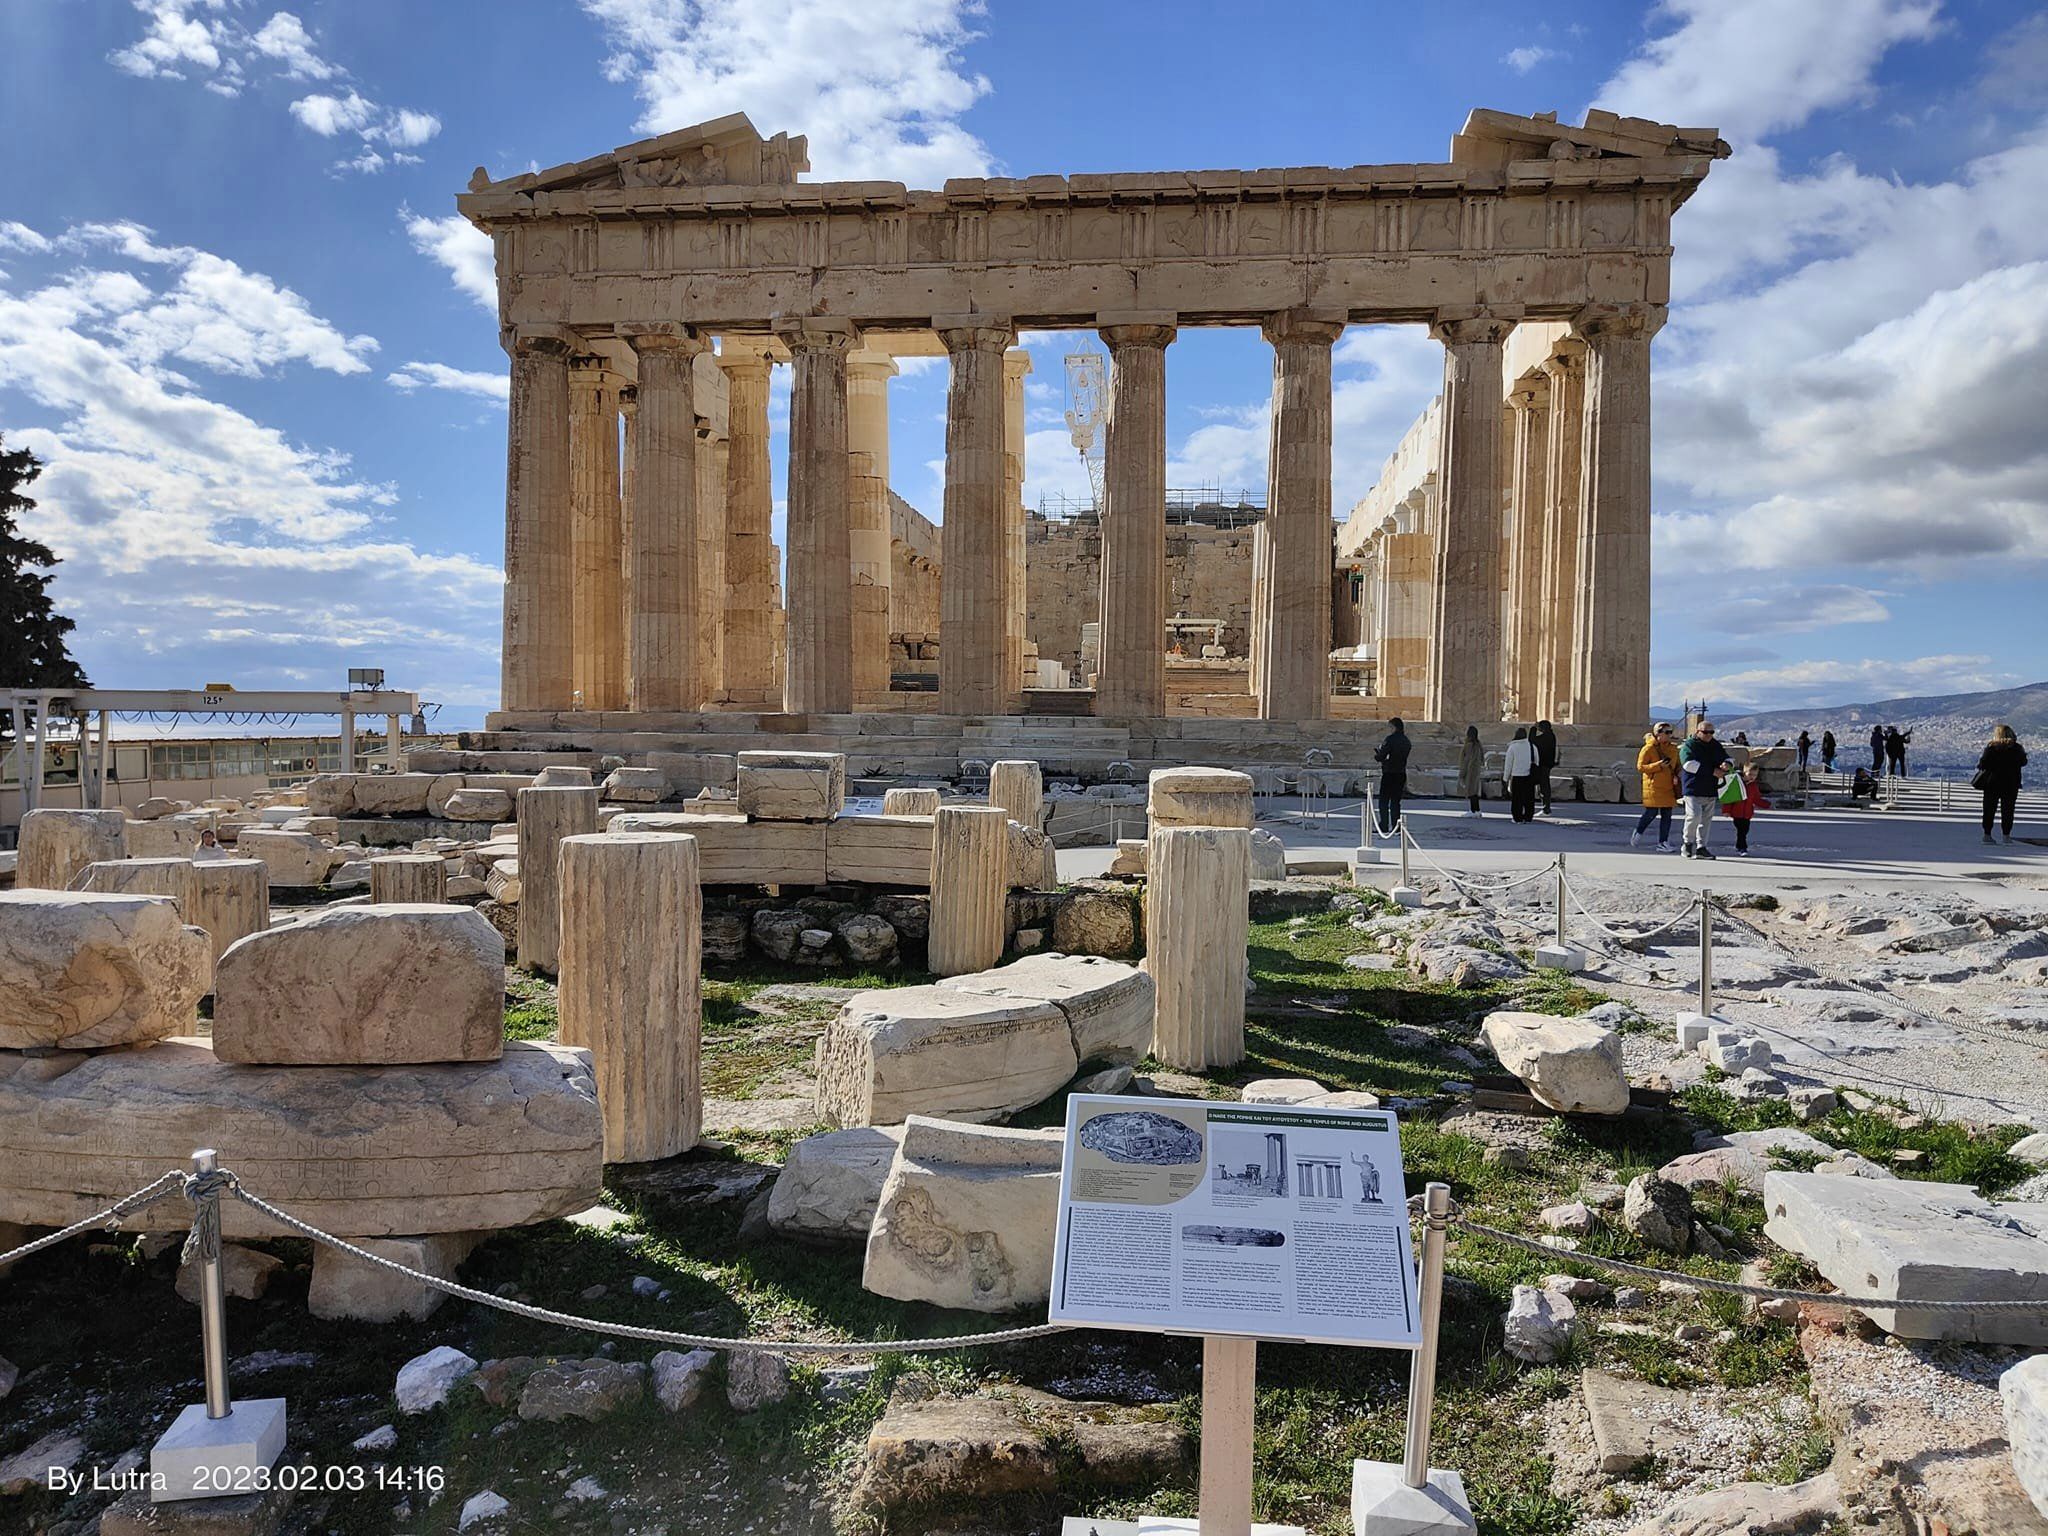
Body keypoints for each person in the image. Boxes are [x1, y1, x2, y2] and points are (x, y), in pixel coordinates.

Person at [1677, 719, 1732, 859]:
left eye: (1711, 732)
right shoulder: (1689, 746)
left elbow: (1728, 758)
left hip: (1710, 788)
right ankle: (1687, 844)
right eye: (1705, 732)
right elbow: (1688, 764)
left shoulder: (1715, 745)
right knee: (1694, 816)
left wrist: (1726, 764)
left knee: (1706, 820)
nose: (1708, 735)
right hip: (1693, 788)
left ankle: (1701, 847)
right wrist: (1712, 771)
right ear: (1697, 732)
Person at [1975, 723, 2028, 844]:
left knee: (1989, 809)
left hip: (1992, 783)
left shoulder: (1991, 748)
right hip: (2011, 783)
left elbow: (1982, 764)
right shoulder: (2017, 748)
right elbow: (2023, 762)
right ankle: (2006, 836)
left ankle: (1987, 835)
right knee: (2008, 810)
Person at [1632, 722, 1680, 850]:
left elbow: (1677, 765)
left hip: (1668, 785)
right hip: (1654, 785)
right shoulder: (1648, 748)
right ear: (1658, 733)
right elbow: (1640, 767)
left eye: (1671, 732)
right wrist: (1658, 765)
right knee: (1651, 813)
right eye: (1667, 732)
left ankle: (1663, 842)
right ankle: (1638, 832)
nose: (1670, 735)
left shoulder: (1673, 749)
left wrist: (1677, 775)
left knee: (1667, 815)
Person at [1373, 718, 1411, 835]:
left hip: (1389, 772)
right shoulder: (1406, 741)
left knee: (1384, 800)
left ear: (1394, 727)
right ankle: (1396, 826)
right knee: (1395, 801)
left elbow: (1381, 756)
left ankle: (1384, 825)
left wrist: (1378, 754)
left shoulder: (1390, 740)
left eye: (1390, 727)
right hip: (1400, 773)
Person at [1722, 762, 1768, 856]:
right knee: (1741, 831)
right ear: (1744, 772)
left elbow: (1756, 799)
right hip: (1737, 812)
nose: (1752, 777)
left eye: (1755, 775)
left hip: (1747, 813)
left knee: (1744, 830)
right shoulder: (1737, 784)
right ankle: (1742, 847)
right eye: (1750, 774)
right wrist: (1726, 810)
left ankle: (1740, 846)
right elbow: (1729, 798)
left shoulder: (1753, 786)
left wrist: (1767, 805)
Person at [1504, 727, 1537, 823]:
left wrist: (1505, 778)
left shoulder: (1513, 747)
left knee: (1517, 798)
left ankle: (1517, 817)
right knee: (1529, 798)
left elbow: (1508, 764)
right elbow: (1536, 761)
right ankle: (1528, 817)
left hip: (1517, 775)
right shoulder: (1532, 746)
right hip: (1529, 776)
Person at [1530, 719, 1559, 815]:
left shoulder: (1546, 737)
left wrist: (1533, 729)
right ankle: (1545, 808)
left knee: (1543, 787)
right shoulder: (1551, 736)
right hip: (1546, 764)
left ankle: (1546, 809)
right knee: (1543, 786)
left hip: (1543, 765)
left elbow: (1532, 740)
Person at [1457, 725, 1484, 816]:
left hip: (1470, 770)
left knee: (1471, 791)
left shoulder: (1469, 746)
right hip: (1476, 770)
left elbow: (1466, 760)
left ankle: (1473, 810)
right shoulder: (1478, 745)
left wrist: (1462, 774)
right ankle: (1477, 810)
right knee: (1474, 791)